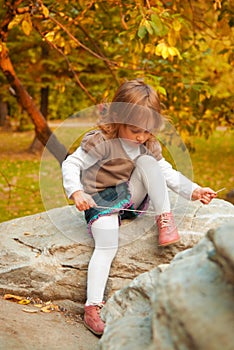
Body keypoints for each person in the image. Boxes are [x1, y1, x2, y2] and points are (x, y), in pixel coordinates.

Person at [62, 78, 217, 336]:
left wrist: (194, 189)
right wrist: (77, 192)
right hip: (101, 200)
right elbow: (71, 164)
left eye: (147, 130)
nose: (141, 136)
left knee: (150, 164)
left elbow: (165, 172)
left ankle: (165, 219)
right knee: (107, 245)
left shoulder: (147, 144)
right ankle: (92, 307)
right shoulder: (100, 141)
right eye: (135, 130)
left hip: (131, 197)